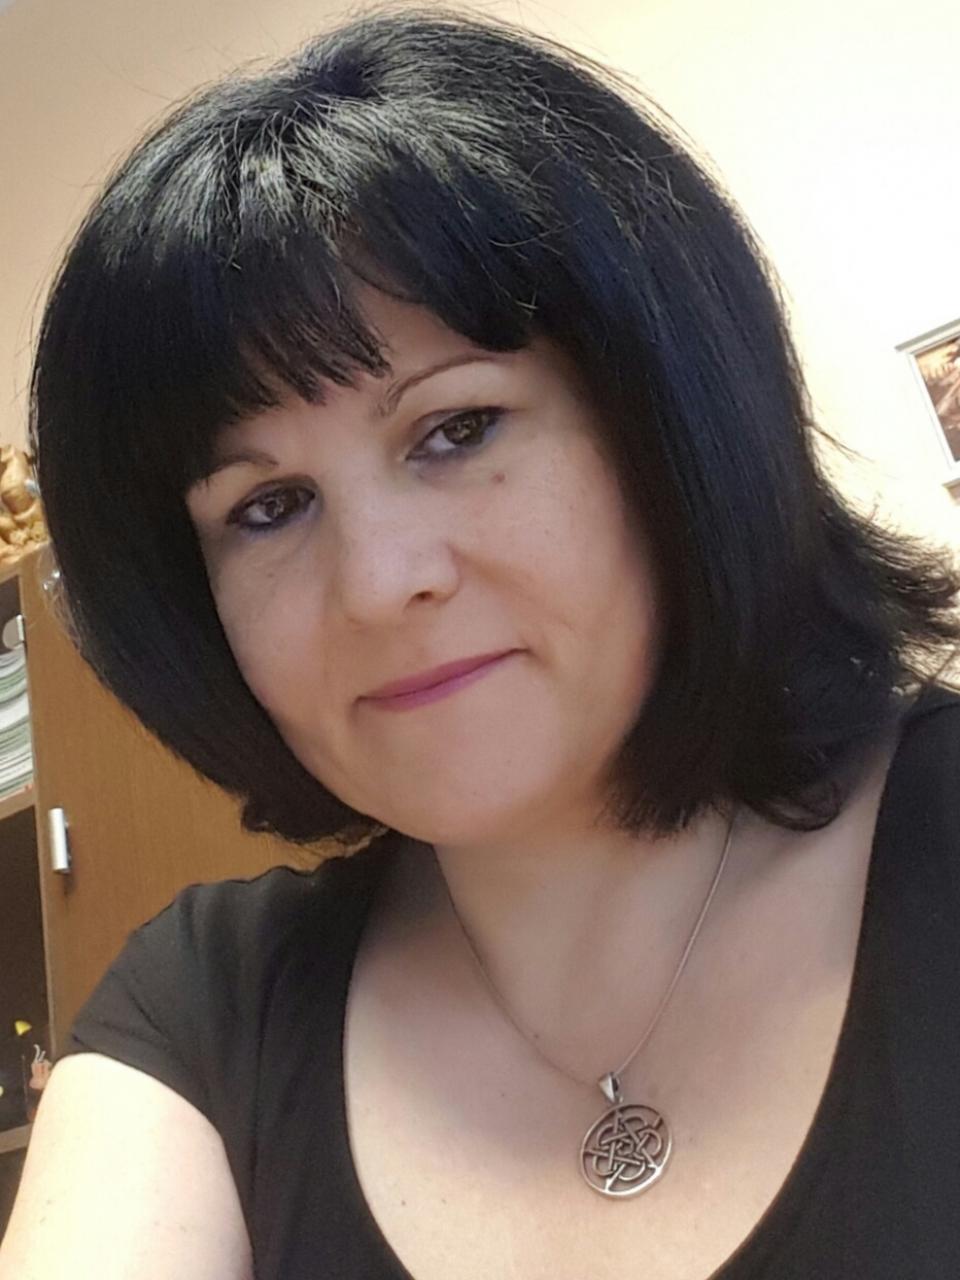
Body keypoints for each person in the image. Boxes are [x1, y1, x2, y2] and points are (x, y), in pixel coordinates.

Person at [2, 7, 959, 1278]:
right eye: (268, 506)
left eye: (456, 430)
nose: (378, 584)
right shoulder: (201, 1013)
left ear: (662, 418)